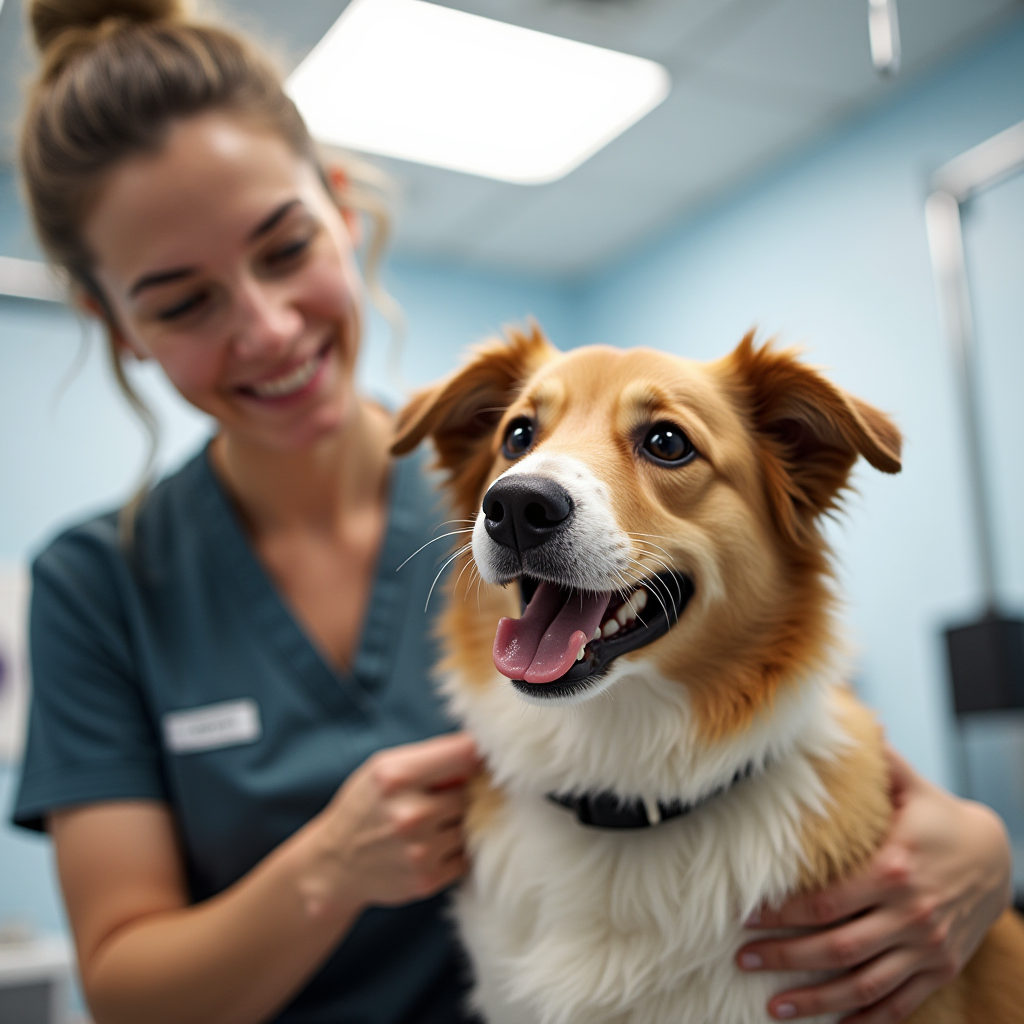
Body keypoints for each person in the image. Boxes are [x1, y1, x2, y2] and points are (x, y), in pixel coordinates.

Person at [9, 2, 1013, 1023]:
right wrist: (330, 865)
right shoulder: (98, 583)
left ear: (343, 213)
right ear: (113, 323)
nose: (266, 329)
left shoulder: (483, 487)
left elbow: (806, 718)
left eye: (284, 248)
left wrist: (982, 851)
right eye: (182, 302)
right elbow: (125, 988)